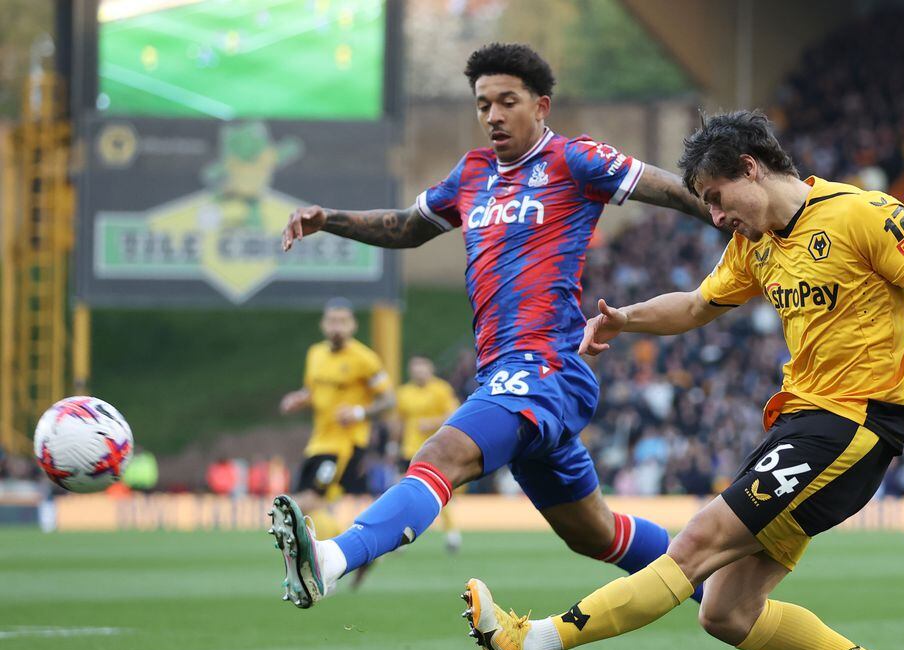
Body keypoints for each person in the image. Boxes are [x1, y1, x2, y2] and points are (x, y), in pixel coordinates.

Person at [460, 111, 904, 650]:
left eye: (716, 198)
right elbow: (701, 305)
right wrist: (626, 321)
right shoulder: (757, 243)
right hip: (799, 424)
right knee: (727, 612)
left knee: (697, 542)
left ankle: (525, 643)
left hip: (854, 424)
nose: (716, 215)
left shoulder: (865, 214)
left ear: (750, 169)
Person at [268, 43, 713, 611]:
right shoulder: (472, 173)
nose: (494, 116)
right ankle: (717, 589)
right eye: (483, 105)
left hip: (548, 367)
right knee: (593, 535)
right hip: (502, 375)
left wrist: (752, 221)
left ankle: (330, 560)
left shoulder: (575, 160)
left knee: (441, 453)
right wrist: (328, 220)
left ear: (541, 105)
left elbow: (675, 190)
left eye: (507, 102)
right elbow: (406, 227)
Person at [279, 298, 395, 540]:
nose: (337, 327)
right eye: (332, 321)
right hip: (318, 442)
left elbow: (389, 399)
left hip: (344, 445)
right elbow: (313, 391)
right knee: (312, 509)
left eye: (343, 322)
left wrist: (359, 412)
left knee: (304, 504)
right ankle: (361, 549)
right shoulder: (315, 354)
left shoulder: (365, 359)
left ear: (353, 326)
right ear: (323, 324)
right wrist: (300, 399)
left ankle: (349, 551)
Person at [393, 356, 463, 554]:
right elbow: (399, 421)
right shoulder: (404, 393)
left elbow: (454, 414)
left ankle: (451, 532)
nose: (419, 372)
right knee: (404, 493)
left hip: (435, 450)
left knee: (438, 490)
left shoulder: (441, 389)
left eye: (422, 368)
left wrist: (431, 423)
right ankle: (400, 535)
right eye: (415, 368)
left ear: (430, 368)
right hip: (409, 450)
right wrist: (392, 445)